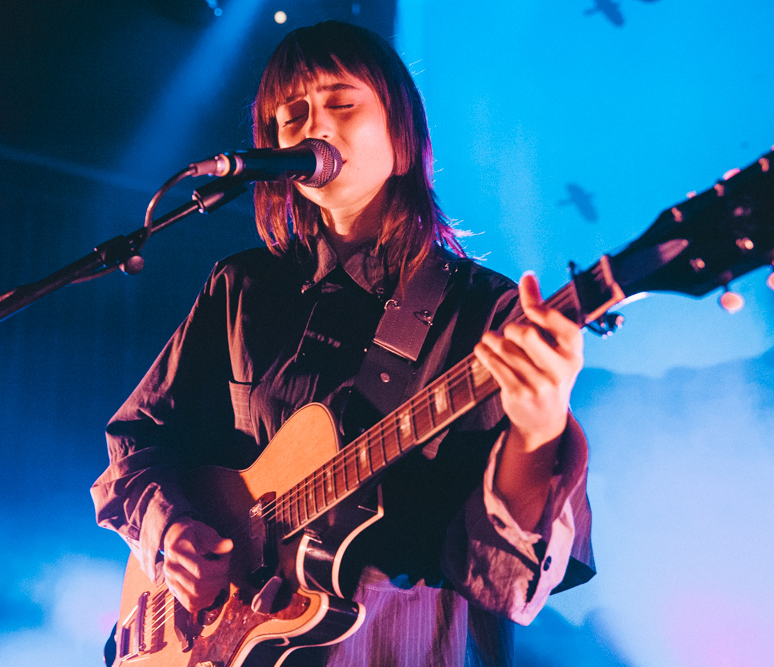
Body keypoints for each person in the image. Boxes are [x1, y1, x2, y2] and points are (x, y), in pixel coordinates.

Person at [91, 20, 594, 666]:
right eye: (292, 115)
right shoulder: (243, 288)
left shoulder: (485, 312)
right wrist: (171, 534)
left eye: (341, 103)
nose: (314, 125)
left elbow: (509, 581)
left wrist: (539, 430)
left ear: (403, 140)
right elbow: (137, 440)